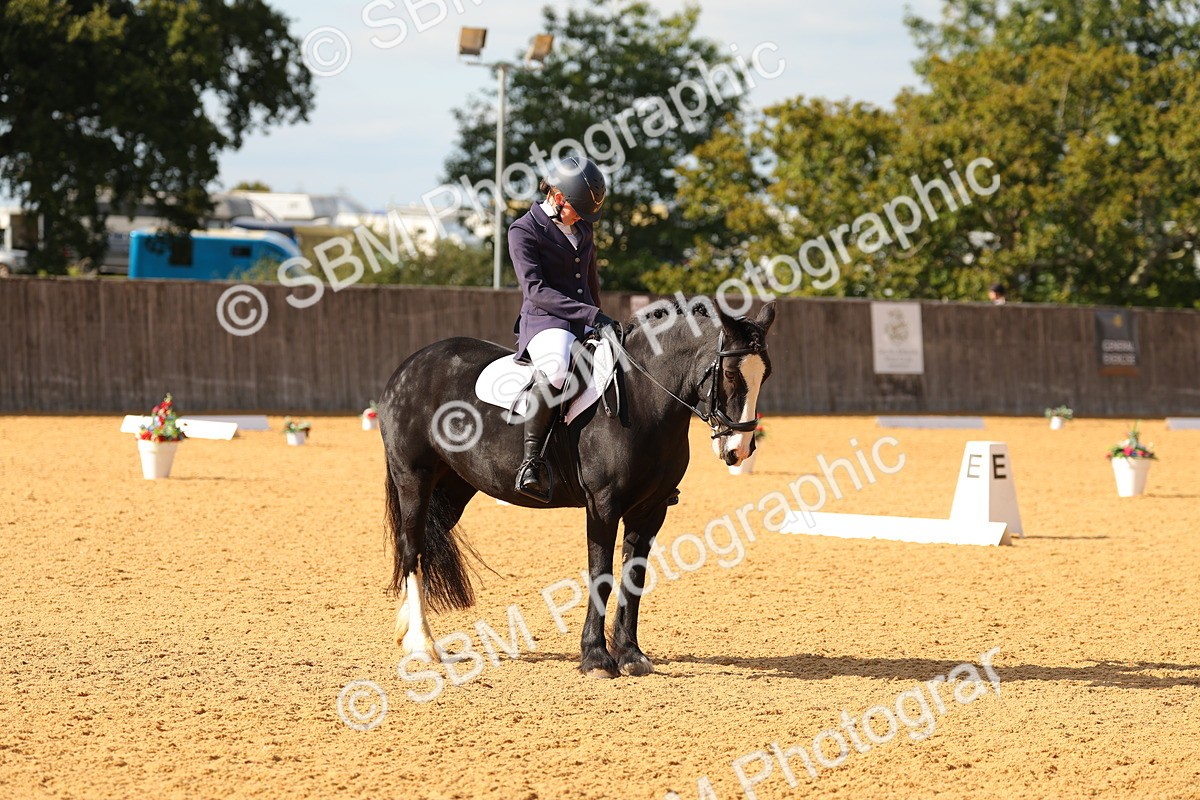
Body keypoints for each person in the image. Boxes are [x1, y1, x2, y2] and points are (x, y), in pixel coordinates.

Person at [508, 156, 618, 502]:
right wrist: (590, 315)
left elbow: (590, 280)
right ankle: (531, 462)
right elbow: (536, 290)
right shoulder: (523, 230)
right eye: (577, 210)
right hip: (545, 322)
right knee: (557, 369)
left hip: (584, 321)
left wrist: (599, 318)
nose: (582, 218)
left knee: (623, 363)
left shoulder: (583, 229)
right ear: (557, 197)